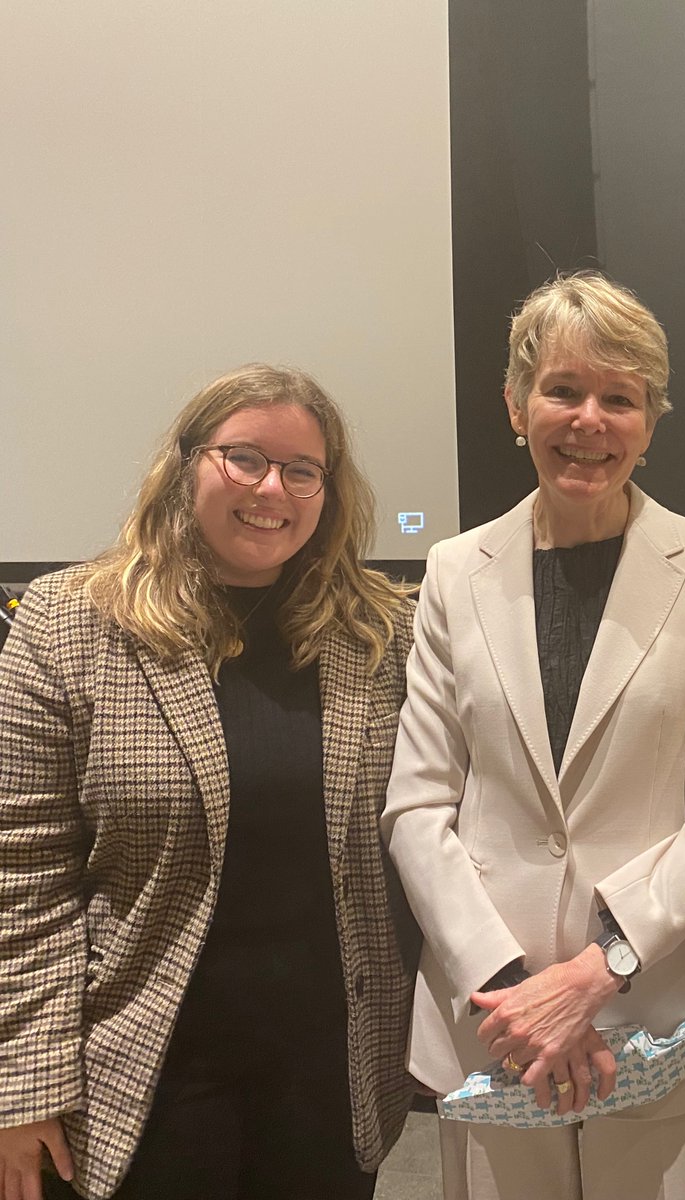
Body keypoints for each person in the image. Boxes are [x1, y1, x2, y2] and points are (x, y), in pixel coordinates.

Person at [381, 272, 685, 1200]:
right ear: (516, 407)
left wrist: (598, 973)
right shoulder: (452, 570)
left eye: (620, 397)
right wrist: (517, 991)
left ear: (650, 418)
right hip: (495, 1021)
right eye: (562, 390)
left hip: (656, 1007)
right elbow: (418, 804)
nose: (588, 418)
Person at [0, 365, 419, 1200]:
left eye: (303, 470)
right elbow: (22, 875)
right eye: (245, 459)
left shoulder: (387, 634)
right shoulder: (67, 623)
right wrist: (24, 1083)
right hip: (138, 1072)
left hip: (329, 1076)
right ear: (186, 464)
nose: (274, 488)